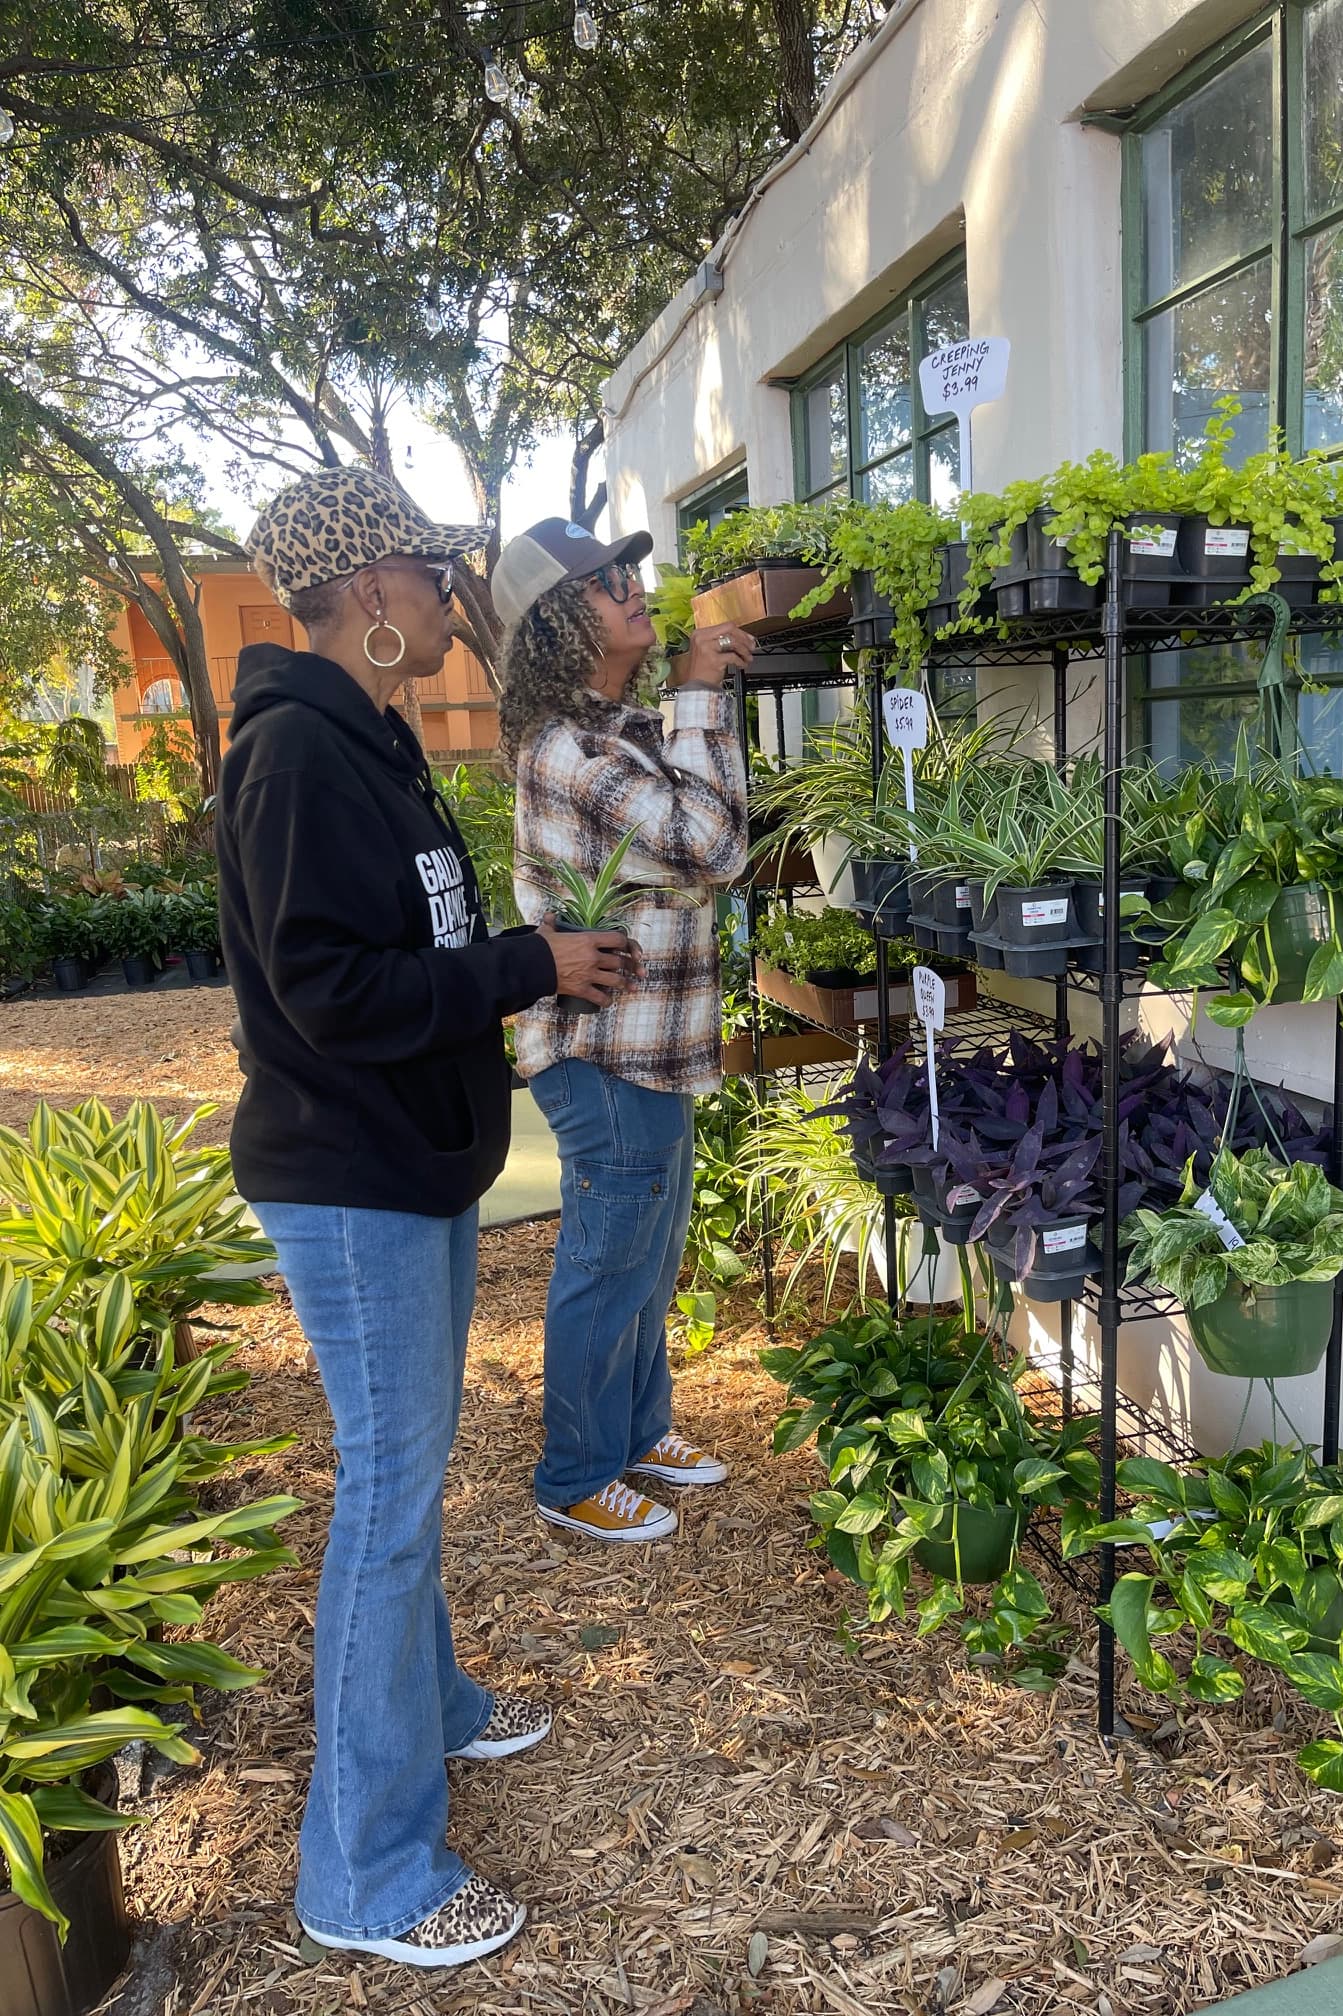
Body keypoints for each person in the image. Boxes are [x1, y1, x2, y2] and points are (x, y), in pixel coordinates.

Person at [219, 468, 630, 1968]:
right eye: (433, 572)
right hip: (352, 1179)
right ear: (371, 591)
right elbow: (332, 992)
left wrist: (510, 958)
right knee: (388, 1503)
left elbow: (404, 943)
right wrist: (526, 967)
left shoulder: (368, 741)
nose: (456, 598)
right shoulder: (295, 757)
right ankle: (367, 1874)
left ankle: (434, 1706)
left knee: (411, 1479)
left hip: (407, 1165)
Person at [492, 517, 755, 1542]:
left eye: (626, 570)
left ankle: (638, 1432)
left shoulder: (630, 726)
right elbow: (712, 845)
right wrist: (701, 697)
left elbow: (710, 829)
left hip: (655, 1050)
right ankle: (574, 1475)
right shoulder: (567, 748)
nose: (632, 587)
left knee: (647, 1260)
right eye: (606, 580)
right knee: (607, 1267)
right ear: (558, 619)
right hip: (604, 1054)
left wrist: (688, 706)